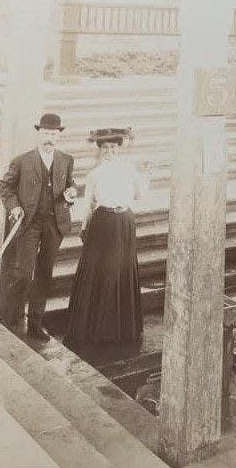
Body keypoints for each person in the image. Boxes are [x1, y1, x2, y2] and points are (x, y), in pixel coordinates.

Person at [65, 127, 147, 344]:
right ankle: (96, 329)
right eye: (105, 148)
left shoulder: (129, 170)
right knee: (102, 271)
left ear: (119, 149)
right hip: (103, 223)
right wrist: (84, 227)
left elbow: (139, 194)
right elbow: (88, 204)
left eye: (113, 147)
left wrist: (147, 176)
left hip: (125, 222)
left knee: (122, 268)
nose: (109, 151)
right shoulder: (94, 175)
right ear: (100, 150)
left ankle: (122, 329)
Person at [0, 113, 77, 340]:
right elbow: (6, 187)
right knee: (23, 273)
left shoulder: (66, 159)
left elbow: (71, 184)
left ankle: (36, 323)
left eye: (53, 134)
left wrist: (71, 193)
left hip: (55, 223)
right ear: (38, 133)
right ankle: (11, 318)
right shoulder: (22, 161)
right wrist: (13, 207)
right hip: (29, 223)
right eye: (45, 133)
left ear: (59, 135)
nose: (49, 138)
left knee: (44, 273)